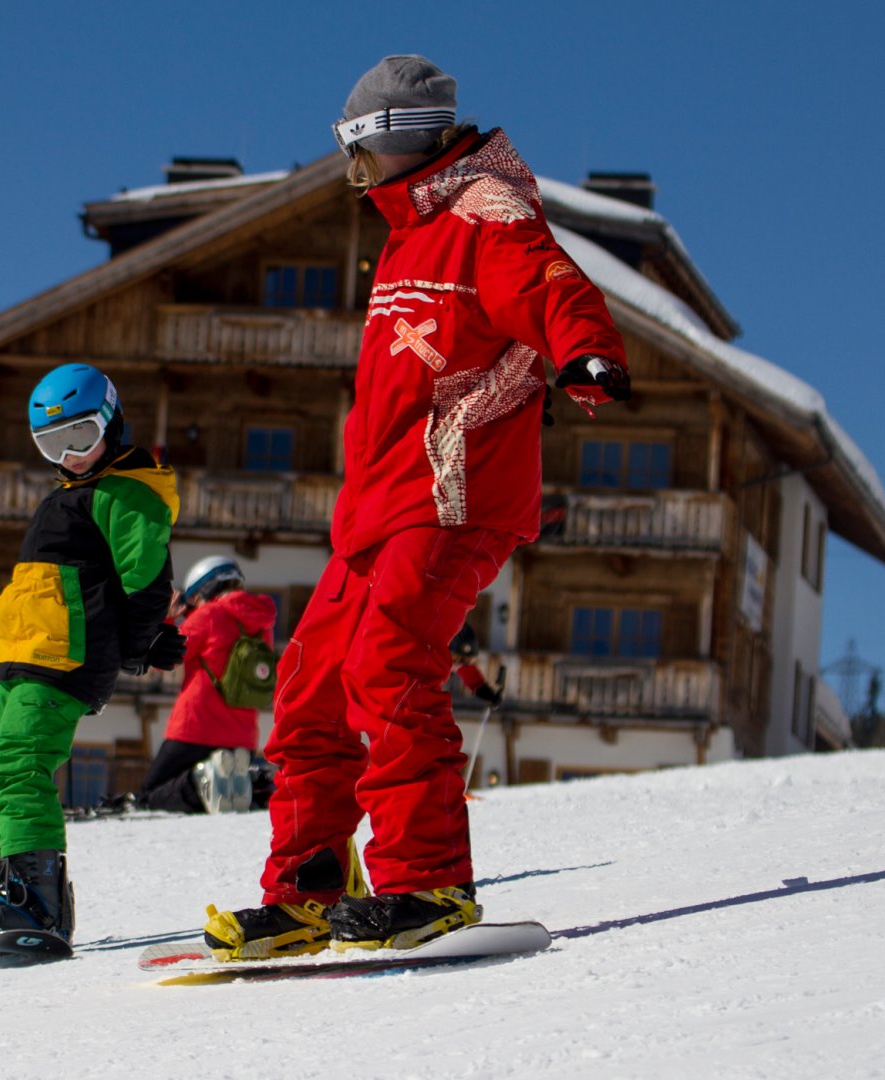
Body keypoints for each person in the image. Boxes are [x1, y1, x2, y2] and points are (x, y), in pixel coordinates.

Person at [203, 55, 631, 960]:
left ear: (397, 140)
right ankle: (308, 887)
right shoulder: (406, 231)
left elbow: (550, 283)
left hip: (453, 489)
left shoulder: (485, 212)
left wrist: (585, 350)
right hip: (378, 506)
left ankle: (427, 879)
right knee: (310, 687)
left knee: (391, 662)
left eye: (359, 152)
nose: (353, 175)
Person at [0, 362, 185, 944]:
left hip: (65, 656)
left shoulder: (129, 492)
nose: (69, 455)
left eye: (81, 437)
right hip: (28, 655)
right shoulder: (75, 493)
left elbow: (144, 581)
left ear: (111, 421)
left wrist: (139, 645)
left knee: (18, 764)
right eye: (53, 443)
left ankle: (36, 901)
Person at [140, 555, 276, 814]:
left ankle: (200, 783)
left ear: (206, 589)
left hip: (196, 727)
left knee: (152, 793)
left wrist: (168, 619)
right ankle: (252, 787)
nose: (193, 608)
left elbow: (164, 657)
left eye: (194, 601)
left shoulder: (210, 615)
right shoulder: (262, 624)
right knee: (220, 798)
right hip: (242, 735)